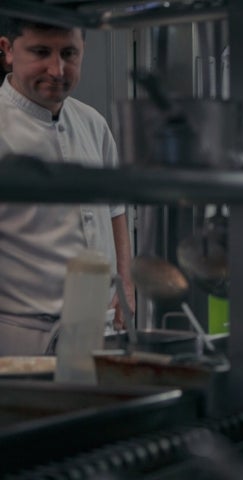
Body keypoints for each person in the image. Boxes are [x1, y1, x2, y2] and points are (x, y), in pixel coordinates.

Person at [0, 18, 135, 354]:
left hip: (98, 327)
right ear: (7, 51)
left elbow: (116, 210)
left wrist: (125, 284)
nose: (58, 70)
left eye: (69, 53)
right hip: (21, 336)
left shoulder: (93, 123)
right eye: (41, 52)